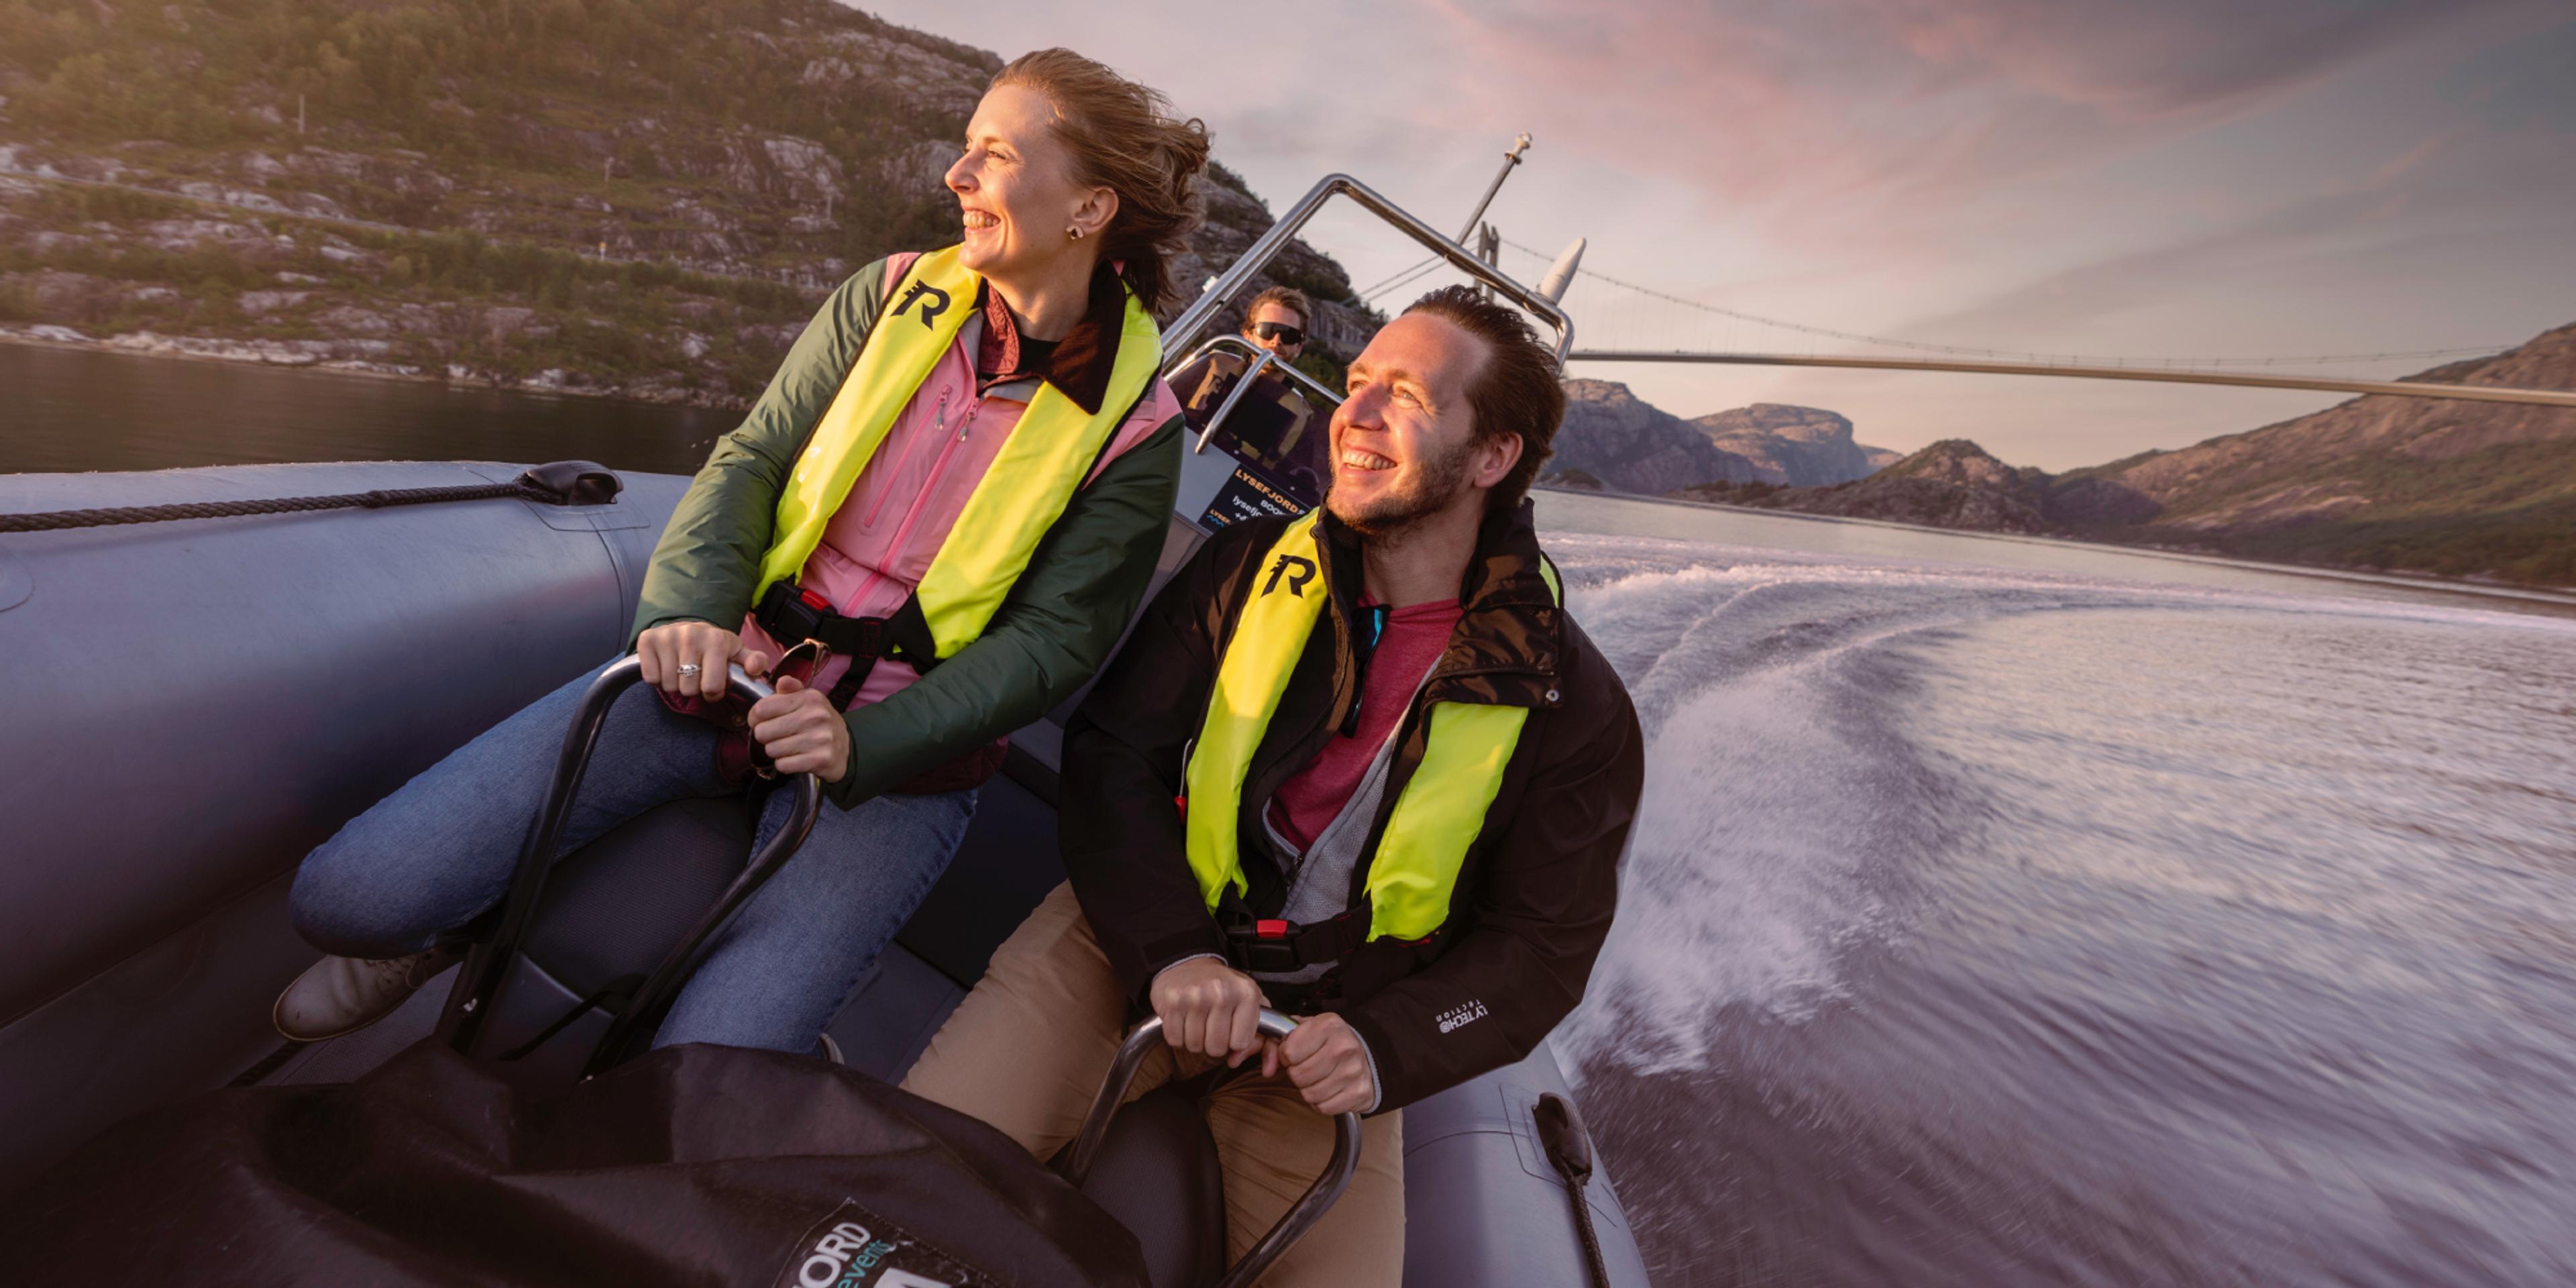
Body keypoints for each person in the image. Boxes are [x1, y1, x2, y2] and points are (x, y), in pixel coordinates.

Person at [271, 49, 1210, 1055]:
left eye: (994, 154)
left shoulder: (1140, 429)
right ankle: (456, 922)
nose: (957, 177)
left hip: (897, 760)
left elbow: (1054, 644)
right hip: (729, 668)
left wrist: (866, 744)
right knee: (350, 900)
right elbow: (754, 460)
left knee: (711, 1065)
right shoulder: (890, 297)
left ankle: (781, 1022)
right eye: (965, 149)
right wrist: (692, 612)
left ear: (1089, 208)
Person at [902, 285, 1645, 1283]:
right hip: (1127, 956)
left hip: (1327, 1043)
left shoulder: (1577, 709)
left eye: (1408, 398)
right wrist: (1169, 953)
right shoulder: (1245, 568)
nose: (1356, 416)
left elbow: (1544, 948)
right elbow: (1116, 755)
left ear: (1492, 458)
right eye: (1357, 384)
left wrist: (1384, 1046)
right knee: (902, 1188)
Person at [1167, 285, 1326, 488]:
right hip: (1175, 466)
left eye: (1289, 336)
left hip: (1232, 494)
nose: (1276, 342)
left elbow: (1293, 485)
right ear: (1247, 334)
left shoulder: (1304, 417)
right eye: (1268, 331)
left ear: (1299, 347)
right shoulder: (1210, 365)